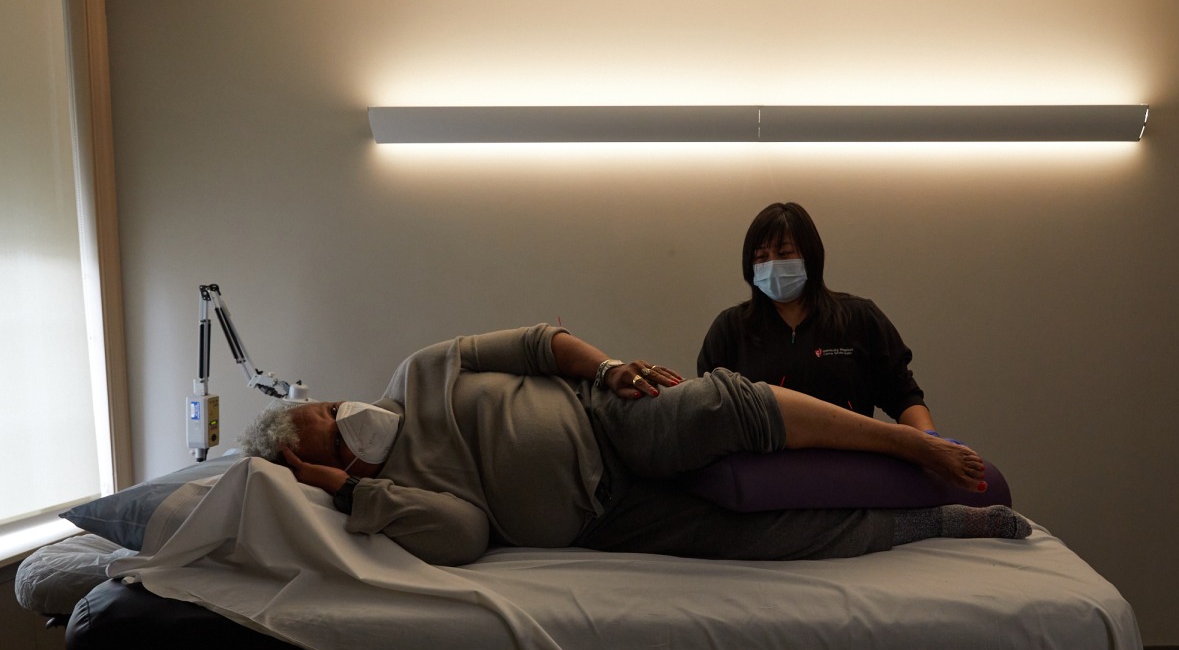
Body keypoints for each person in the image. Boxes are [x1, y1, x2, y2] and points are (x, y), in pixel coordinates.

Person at [239, 324, 1029, 567]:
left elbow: (540, 342)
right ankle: (930, 525)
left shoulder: (420, 373)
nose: (348, 417)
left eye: (331, 407)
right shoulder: (389, 498)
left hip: (603, 419)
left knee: (715, 405)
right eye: (334, 437)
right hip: (601, 519)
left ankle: (904, 447)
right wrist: (352, 491)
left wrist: (608, 369)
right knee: (748, 542)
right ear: (326, 468)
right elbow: (466, 534)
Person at [698, 201, 938, 432]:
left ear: (810, 256)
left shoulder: (859, 318)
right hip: (761, 460)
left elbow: (902, 394)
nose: (772, 265)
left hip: (848, 456)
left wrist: (931, 441)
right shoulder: (730, 328)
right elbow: (709, 409)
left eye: (784, 253)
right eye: (761, 257)